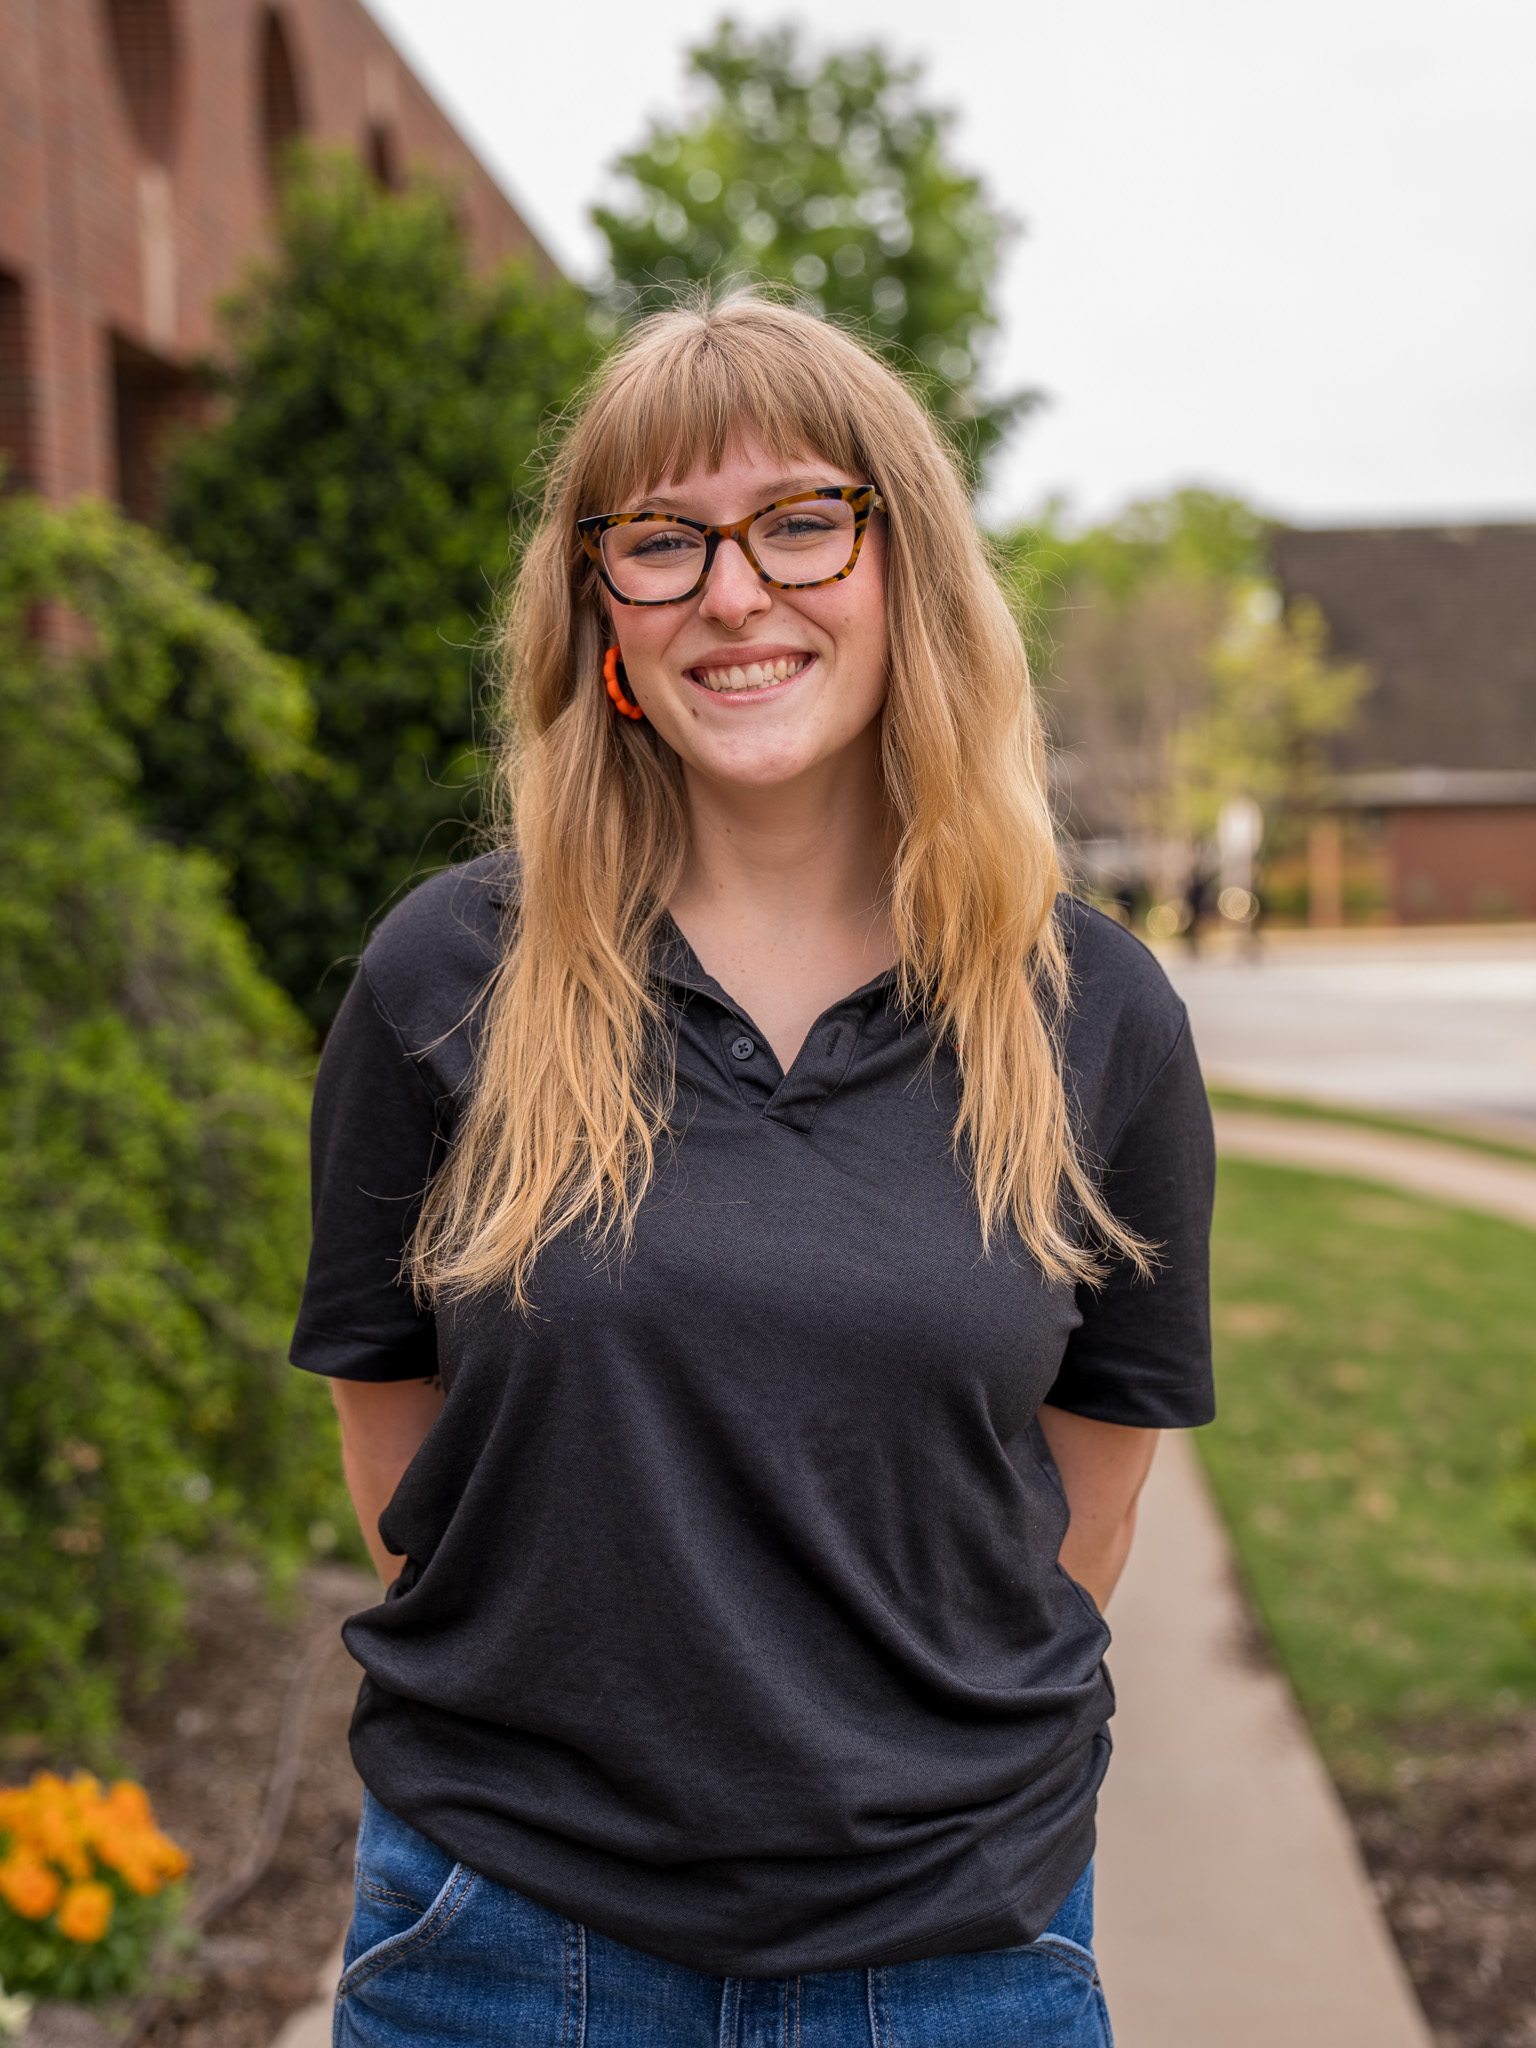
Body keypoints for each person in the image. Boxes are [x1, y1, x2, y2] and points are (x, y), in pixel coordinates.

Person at [293, 295, 1215, 2047]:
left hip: (963, 1953)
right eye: (661, 539)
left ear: (907, 571)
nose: (735, 590)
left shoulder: (1093, 1012)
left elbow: (1088, 1504)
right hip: (506, 1942)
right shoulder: (444, 976)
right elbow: (398, 1442)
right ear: (600, 612)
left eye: (801, 520)